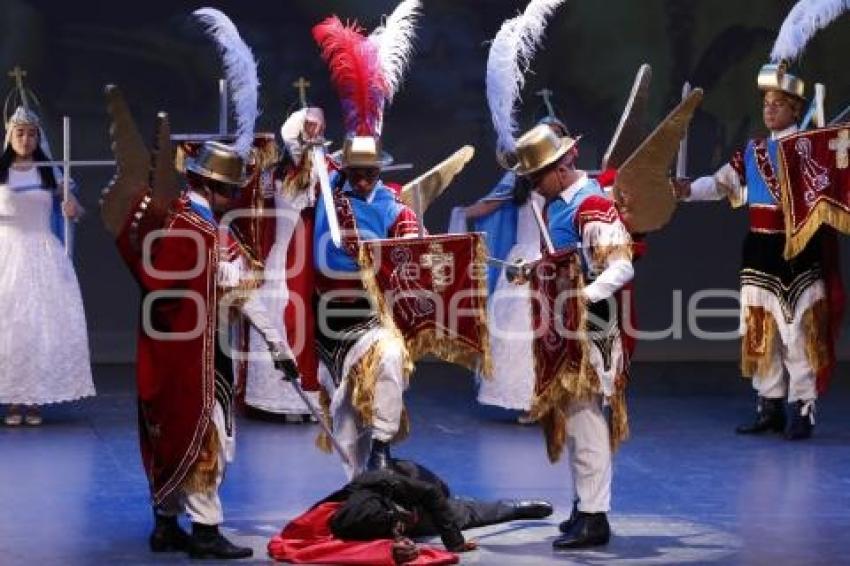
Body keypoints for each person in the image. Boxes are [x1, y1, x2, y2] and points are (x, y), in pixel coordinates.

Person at [673, 61, 839, 440]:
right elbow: (720, 185)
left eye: (777, 104)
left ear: (795, 109)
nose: (769, 110)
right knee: (760, 331)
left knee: (796, 330)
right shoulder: (754, 150)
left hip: (797, 250)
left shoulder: (812, 146)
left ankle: (802, 407)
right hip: (759, 249)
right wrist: (687, 190)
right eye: (766, 103)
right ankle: (769, 405)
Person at [517, 124, 635, 549]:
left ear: (561, 167)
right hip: (563, 330)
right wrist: (534, 270)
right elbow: (563, 259)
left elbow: (621, 266)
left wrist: (582, 295)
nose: (533, 185)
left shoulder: (591, 205)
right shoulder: (553, 205)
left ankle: (595, 516)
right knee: (576, 419)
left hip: (589, 330)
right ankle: (583, 506)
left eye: (536, 177)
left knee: (586, 422)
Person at [0, 105, 94, 426]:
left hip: (42, 254)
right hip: (6, 254)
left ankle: (35, 398)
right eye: (20, 133)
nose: (25, 139)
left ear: (38, 137)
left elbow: (77, 211)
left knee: (39, 326)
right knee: (10, 327)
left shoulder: (49, 172)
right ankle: (13, 400)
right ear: (10, 135)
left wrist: (72, 208)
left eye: (31, 134)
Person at [268, 459, 553, 564]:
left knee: (454, 506)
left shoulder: (380, 482)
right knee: (458, 513)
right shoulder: (350, 522)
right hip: (411, 514)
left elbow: (429, 494)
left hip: (416, 484)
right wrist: (397, 543)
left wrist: (454, 542)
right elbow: (366, 550)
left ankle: (516, 508)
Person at [243, 107, 325, 421]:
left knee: (301, 320)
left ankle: (304, 399)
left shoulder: (319, 173)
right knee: (277, 318)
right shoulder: (275, 175)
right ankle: (274, 400)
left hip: (304, 257)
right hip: (282, 255)